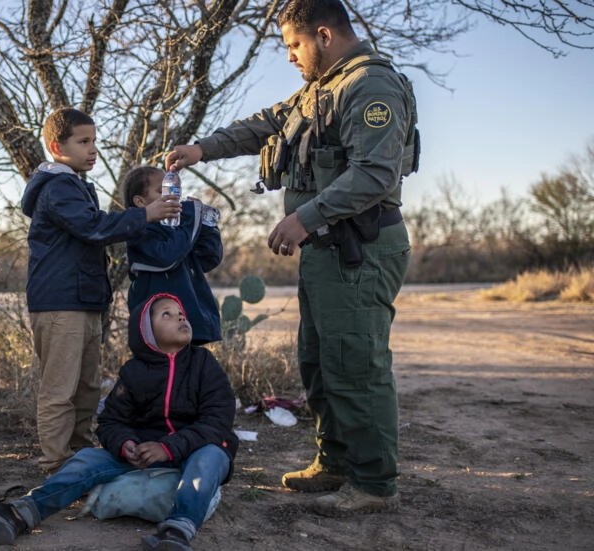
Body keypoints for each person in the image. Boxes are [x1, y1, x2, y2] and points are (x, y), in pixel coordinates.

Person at [165, 0, 416, 515]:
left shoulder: (369, 85)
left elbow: (375, 174)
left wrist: (306, 217)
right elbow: (265, 125)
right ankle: (335, 463)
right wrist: (202, 149)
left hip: (358, 248)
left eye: (294, 46)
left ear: (323, 35)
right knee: (320, 361)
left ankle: (373, 484)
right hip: (326, 251)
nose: (290, 57)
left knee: (356, 364)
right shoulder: (319, 90)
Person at [0, 293, 238, 550]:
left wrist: (168, 448)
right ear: (146, 333)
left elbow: (218, 421)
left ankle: (177, 531)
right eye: (167, 314)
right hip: (144, 453)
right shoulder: (134, 373)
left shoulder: (204, 364)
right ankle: (19, 514)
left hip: (194, 449)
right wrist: (126, 444)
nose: (180, 317)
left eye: (181, 313)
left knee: (211, 456)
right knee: (86, 460)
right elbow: (110, 422)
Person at [21, 108, 180, 473]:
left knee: (88, 385)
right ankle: (56, 464)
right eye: (83, 142)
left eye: (94, 141)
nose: (93, 150)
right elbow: (93, 227)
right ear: (55, 146)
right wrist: (145, 215)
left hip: (84, 300)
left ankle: (78, 453)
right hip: (60, 302)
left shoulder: (75, 184)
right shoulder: (58, 187)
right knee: (60, 388)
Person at [122, 166, 224, 344]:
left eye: (173, 189)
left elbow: (209, 258)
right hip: (159, 330)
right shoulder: (139, 232)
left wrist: (207, 226)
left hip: (190, 322)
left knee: (194, 369)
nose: (172, 195)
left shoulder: (177, 231)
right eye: (162, 191)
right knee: (164, 370)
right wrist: (191, 219)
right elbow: (166, 257)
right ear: (140, 201)